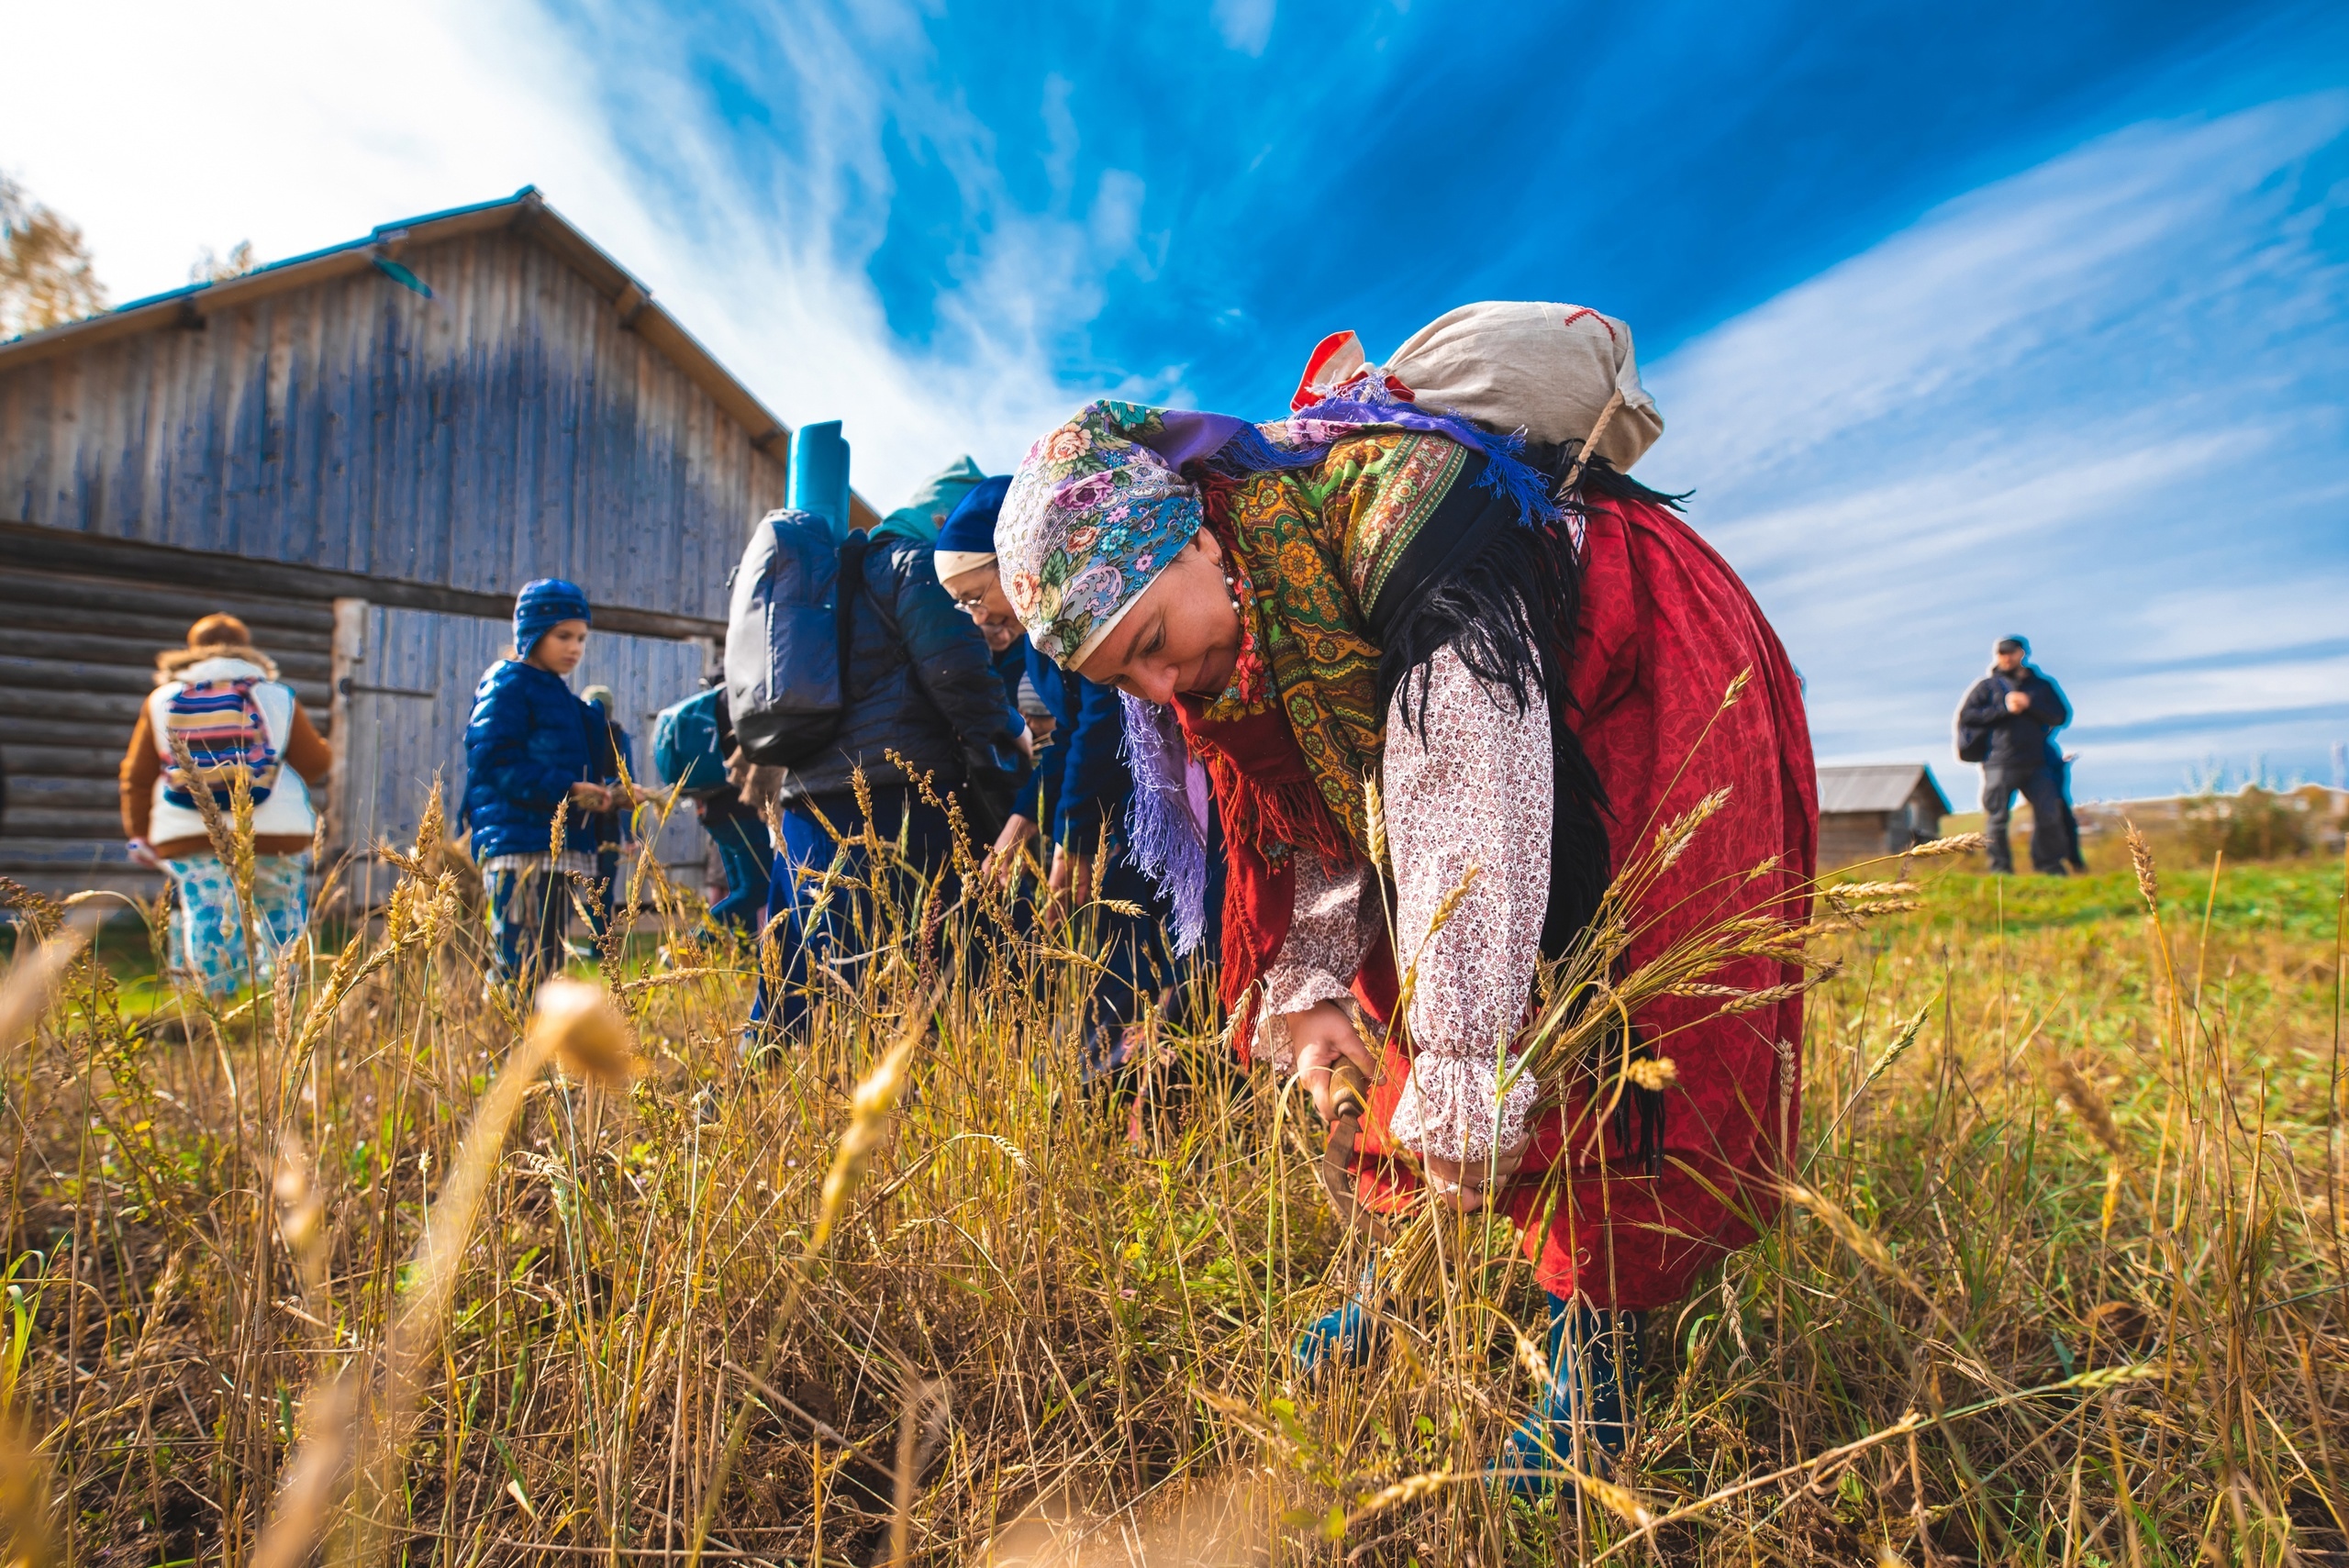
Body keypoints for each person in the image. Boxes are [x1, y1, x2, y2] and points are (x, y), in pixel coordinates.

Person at [996, 374, 1814, 1482]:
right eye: (1124, 679)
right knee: (1398, 981)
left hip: (1620, 669)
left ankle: (1598, 1351)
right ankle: (1408, 1267)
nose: (1160, 682)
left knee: (1614, 996)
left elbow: (1464, 803)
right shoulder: (1237, 620)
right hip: (1477, 725)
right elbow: (1316, 812)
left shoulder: (1402, 525)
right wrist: (1311, 985)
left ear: (1194, 537)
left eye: (1151, 639)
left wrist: (1471, 1061)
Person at [740, 495, 1030, 1036]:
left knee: (797, 972)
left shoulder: (840, 577)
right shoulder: (917, 564)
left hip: (805, 797)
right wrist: (1013, 734)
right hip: (893, 797)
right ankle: (911, 1080)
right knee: (911, 967)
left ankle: (761, 1072)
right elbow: (957, 673)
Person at [934, 476, 1176, 1089]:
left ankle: (1123, 1084)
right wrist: (1020, 824)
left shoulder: (1077, 603)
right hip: (1113, 808)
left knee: (1141, 945)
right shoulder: (1036, 644)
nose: (977, 616)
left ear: (1010, 558)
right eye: (963, 606)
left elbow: (1104, 719)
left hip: (1150, 802)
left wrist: (1075, 838)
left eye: (975, 595)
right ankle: (1112, 1082)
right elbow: (1067, 738)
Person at [119, 613, 333, 998]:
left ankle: (217, 1005)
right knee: (281, 917)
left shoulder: (162, 698)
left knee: (209, 918)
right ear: (246, 648)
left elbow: (137, 774)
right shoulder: (276, 694)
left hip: (191, 832)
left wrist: (138, 834)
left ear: (192, 650)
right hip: (274, 832)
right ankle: (285, 1003)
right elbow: (315, 763)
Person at [462, 579, 638, 992]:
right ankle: (508, 1031)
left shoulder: (557, 694)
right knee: (518, 957)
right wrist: (568, 789)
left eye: (581, 638)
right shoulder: (508, 685)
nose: (574, 647)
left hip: (553, 845)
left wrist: (610, 791)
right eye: (563, 636)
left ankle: (536, 1032)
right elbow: (493, 761)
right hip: (519, 843)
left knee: (547, 955)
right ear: (532, 633)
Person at [1956, 635, 2073, 875]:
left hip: (2038, 762)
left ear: (2022, 653)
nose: (2005, 657)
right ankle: (2000, 870)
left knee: (2049, 815)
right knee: (1997, 819)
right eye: (2001, 653)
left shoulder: (2041, 686)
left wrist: (2030, 704)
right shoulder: (1987, 687)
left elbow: (2061, 716)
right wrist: (2004, 709)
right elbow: (1968, 716)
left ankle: (2050, 868)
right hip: (1999, 762)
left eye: (2010, 652)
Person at [580, 684, 636, 937]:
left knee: (579, 883)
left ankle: (593, 941)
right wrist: (631, 835)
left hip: (580, 822)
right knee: (604, 884)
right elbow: (628, 787)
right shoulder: (618, 735)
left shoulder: (576, 733)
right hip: (608, 822)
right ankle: (601, 942)